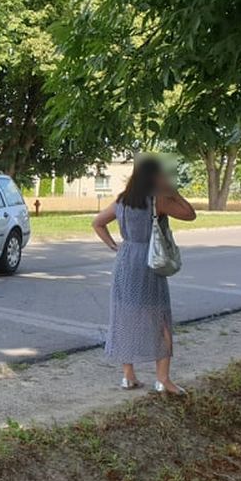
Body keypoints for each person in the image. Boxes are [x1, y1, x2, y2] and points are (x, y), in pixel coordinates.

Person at [92, 157, 197, 395]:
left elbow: (97, 223)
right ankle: (163, 379)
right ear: (154, 176)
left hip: (126, 259)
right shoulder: (157, 201)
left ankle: (128, 377)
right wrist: (174, 192)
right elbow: (190, 214)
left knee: (125, 316)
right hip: (149, 263)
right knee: (160, 319)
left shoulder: (122, 201)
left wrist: (115, 247)